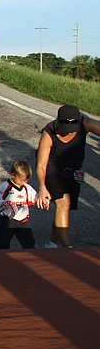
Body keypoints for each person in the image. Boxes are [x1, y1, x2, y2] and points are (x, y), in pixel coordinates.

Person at [36, 105, 100, 248]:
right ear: (59, 122)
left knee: (64, 208)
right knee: (63, 202)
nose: (69, 133)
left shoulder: (86, 124)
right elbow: (41, 165)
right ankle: (67, 249)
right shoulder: (49, 133)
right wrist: (42, 187)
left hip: (74, 171)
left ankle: (51, 243)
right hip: (53, 170)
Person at [0, 161, 37, 249]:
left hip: (23, 220)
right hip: (7, 219)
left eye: (26, 180)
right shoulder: (5, 186)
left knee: (29, 243)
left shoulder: (27, 187)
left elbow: (35, 196)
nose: (23, 182)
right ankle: (0, 259)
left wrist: (43, 200)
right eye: (21, 180)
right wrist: (1, 203)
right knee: (3, 243)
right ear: (13, 175)